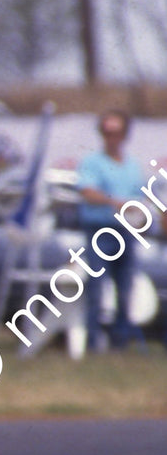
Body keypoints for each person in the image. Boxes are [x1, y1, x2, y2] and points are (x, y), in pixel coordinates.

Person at [77, 109, 149, 351]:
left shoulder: (132, 165)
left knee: (126, 288)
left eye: (116, 133)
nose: (111, 138)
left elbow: (140, 197)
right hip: (100, 230)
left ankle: (120, 343)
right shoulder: (92, 162)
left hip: (126, 231)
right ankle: (93, 341)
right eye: (107, 133)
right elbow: (88, 192)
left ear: (125, 135)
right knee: (96, 286)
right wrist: (115, 202)